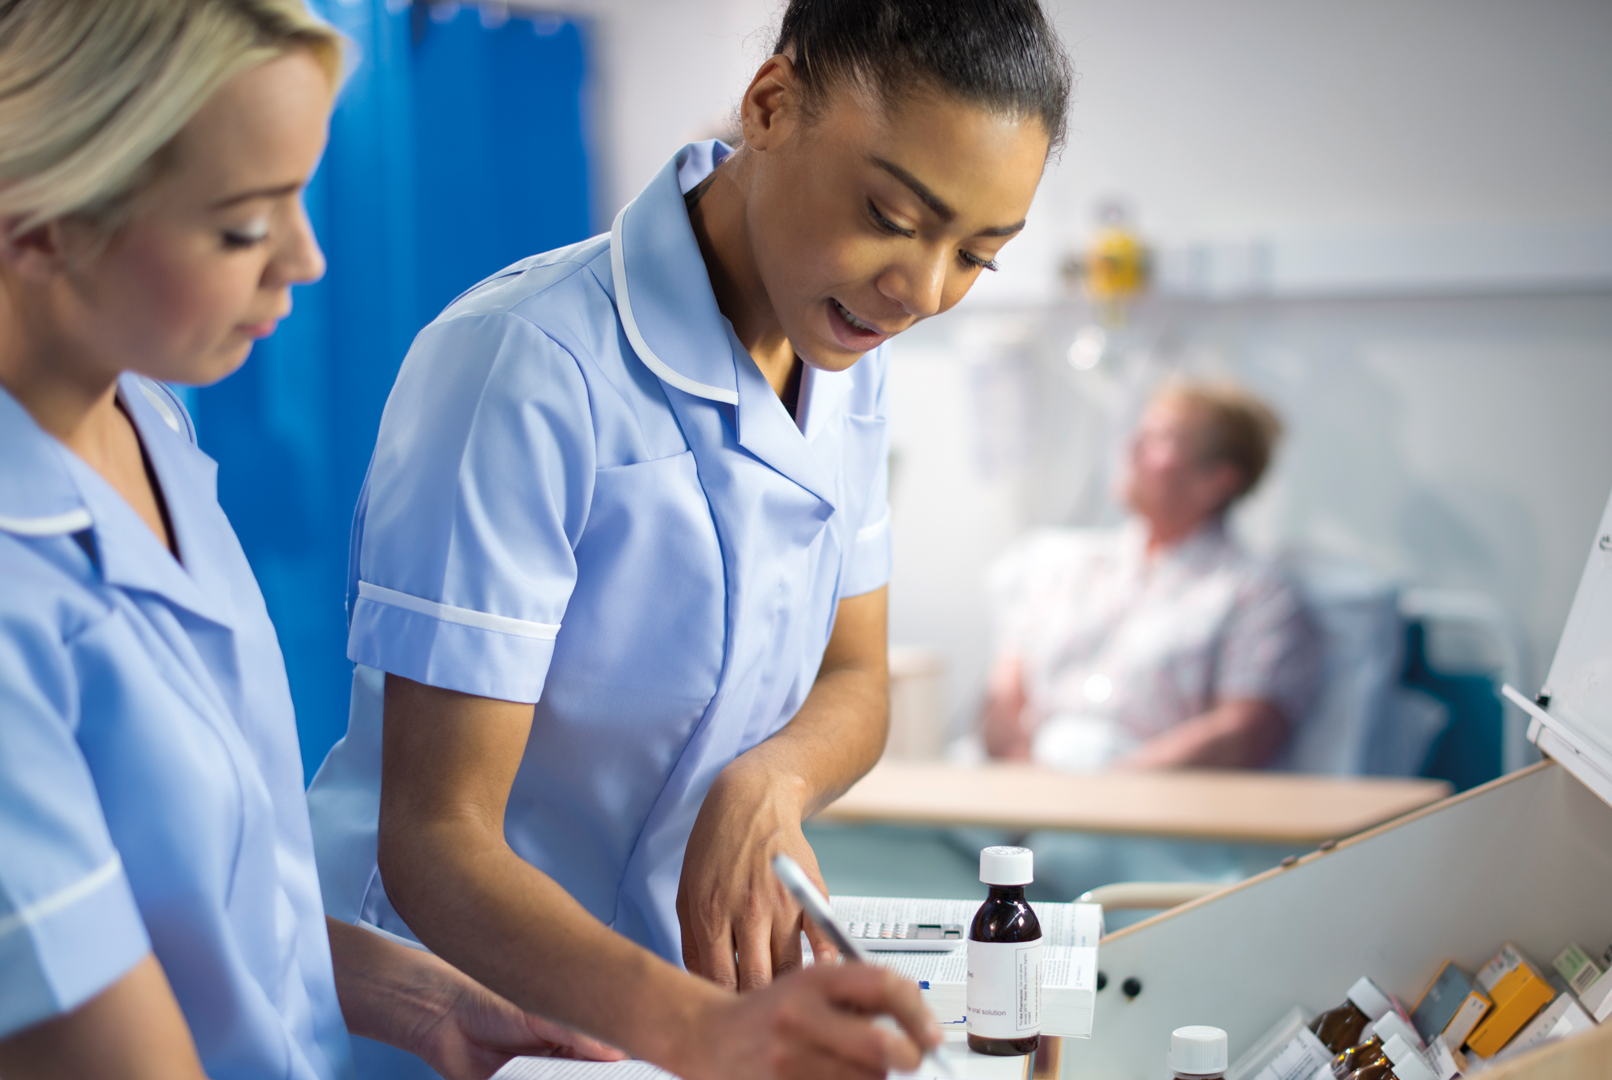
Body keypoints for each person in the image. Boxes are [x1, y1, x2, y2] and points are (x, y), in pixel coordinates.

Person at [304, 1, 1071, 1076]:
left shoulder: (845, 348)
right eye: (892, 214)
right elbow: (438, 840)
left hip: (655, 1012)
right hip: (452, 1009)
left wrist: (772, 783)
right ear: (770, 105)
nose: (922, 290)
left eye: (977, 256)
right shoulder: (522, 365)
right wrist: (701, 1031)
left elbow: (858, 678)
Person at [0, 1, 622, 1077]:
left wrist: (421, 996)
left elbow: (194, 907)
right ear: (32, 224)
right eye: (245, 223)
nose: (305, 258)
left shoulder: (138, 411)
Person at [982, 379, 1323, 773]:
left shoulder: (1255, 593)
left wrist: (1107, 790)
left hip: (1146, 803)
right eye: (1139, 434)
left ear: (1217, 480)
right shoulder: (1066, 567)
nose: (1131, 449)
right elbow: (1004, 694)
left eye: (1160, 439)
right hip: (1025, 788)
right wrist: (1025, 780)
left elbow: (1244, 733)